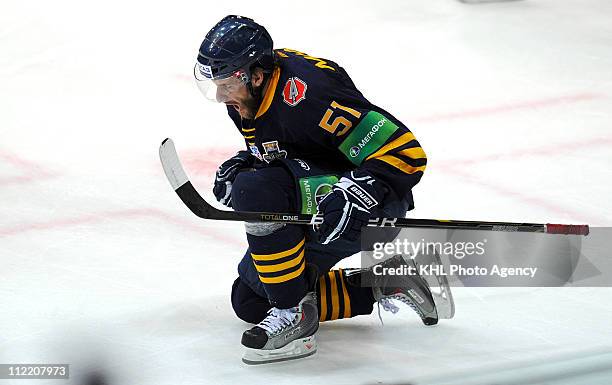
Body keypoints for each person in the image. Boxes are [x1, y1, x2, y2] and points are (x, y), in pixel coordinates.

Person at [194, 15, 454, 364]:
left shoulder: (311, 95)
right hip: (317, 192)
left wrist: (356, 191)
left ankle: (294, 315)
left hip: (366, 204)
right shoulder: (251, 93)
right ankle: (388, 281)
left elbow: (405, 152)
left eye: (227, 84)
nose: (221, 95)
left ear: (254, 75)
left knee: (255, 190)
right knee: (249, 300)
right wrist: (249, 160)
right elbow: (295, 151)